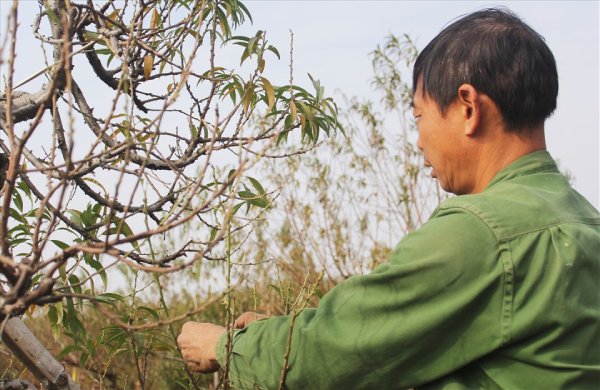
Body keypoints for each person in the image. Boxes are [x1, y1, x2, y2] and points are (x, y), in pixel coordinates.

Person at [178, 8, 600, 389]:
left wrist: (226, 346)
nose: (418, 141)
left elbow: (337, 351)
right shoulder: (586, 222)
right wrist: (284, 331)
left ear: (468, 107)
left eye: (419, 116)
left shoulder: (479, 232)